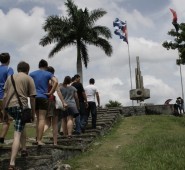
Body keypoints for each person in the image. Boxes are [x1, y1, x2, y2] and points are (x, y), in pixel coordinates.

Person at [3, 61, 36, 170]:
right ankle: (12, 162)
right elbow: (32, 97)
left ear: (18, 69)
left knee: (21, 125)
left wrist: (4, 112)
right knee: (17, 134)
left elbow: (5, 95)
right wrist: (33, 113)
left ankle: (24, 149)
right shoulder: (28, 78)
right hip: (20, 108)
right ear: (27, 69)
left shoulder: (10, 77)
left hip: (9, 107)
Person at [30, 59, 58, 145]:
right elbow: (56, 82)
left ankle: (36, 138)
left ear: (39, 65)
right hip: (43, 97)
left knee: (38, 119)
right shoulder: (48, 73)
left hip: (34, 97)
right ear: (46, 66)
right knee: (42, 119)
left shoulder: (32, 74)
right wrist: (51, 92)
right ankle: (39, 140)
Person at [0, 52, 14, 145]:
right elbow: (9, 82)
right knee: (6, 119)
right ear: (9, 60)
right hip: (3, 97)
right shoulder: (9, 69)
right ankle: (1, 138)